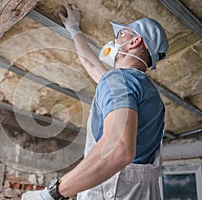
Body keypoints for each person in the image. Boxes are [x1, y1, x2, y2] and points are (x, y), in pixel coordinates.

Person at [22, 4, 169, 200]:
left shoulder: (119, 80)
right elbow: (92, 65)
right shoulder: (150, 95)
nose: (115, 39)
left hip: (114, 191)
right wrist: (74, 30)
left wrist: (52, 193)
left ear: (135, 42)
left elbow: (118, 150)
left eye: (122, 34)